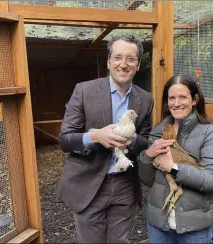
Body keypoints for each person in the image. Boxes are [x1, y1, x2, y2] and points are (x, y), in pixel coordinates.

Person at [57, 34, 153, 243]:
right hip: (90, 184)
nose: (123, 64)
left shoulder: (145, 99)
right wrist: (96, 136)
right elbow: (64, 140)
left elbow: (146, 141)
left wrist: (132, 139)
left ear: (138, 65)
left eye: (131, 59)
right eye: (118, 57)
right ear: (109, 61)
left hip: (125, 184)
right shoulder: (84, 91)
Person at [138, 74, 213, 244]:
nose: (176, 103)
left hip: (194, 226)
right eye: (171, 98)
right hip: (159, 223)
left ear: (194, 100)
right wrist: (149, 154)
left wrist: (173, 168)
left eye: (182, 97)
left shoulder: (210, 133)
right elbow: (147, 179)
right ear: (167, 102)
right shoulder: (159, 131)